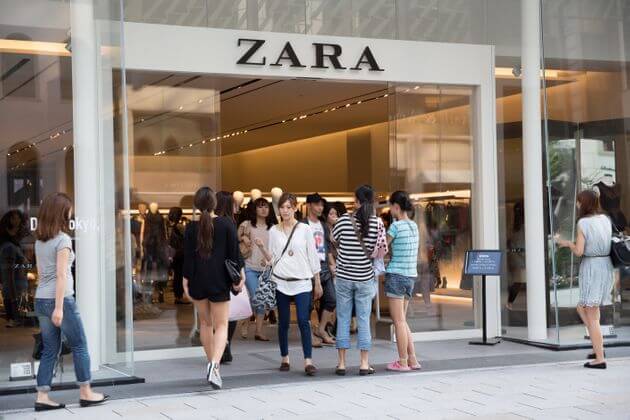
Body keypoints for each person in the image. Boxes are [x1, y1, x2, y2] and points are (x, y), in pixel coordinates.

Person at [33, 193, 107, 411]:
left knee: (50, 349)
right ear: (61, 212)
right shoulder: (63, 240)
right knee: (79, 344)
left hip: (41, 298)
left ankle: (42, 396)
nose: (71, 213)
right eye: (69, 210)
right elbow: (61, 275)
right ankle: (86, 392)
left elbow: (41, 274)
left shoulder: (39, 241)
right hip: (60, 300)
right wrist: (58, 308)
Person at [183, 187, 244, 389]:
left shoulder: (191, 227)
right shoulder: (226, 224)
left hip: (197, 281)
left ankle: (211, 365)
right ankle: (215, 365)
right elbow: (234, 255)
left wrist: (185, 281)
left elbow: (188, 259)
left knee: (205, 324)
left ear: (197, 204)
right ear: (214, 203)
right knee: (222, 325)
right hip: (219, 281)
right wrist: (240, 276)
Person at [260, 193, 322, 376]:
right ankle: (285, 358)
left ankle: (308, 361)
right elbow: (272, 258)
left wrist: (317, 282)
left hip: (302, 281)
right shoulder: (274, 231)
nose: (285, 211)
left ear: (295, 208)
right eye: (282, 207)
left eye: (288, 207)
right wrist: (262, 250)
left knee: (303, 320)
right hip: (281, 281)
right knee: (284, 322)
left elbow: (313, 256)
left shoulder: (305, 229)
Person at [556, 190, 614, 369]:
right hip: (606, 265)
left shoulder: (583, 222)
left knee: (591, 314)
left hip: (592, 268)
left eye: (579, 201)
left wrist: (567, 243)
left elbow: (579, 251)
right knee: (585, 308)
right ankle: (598, 347)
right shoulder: (605, 219)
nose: (577, 204)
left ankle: (600, 358)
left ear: (585, 203)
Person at [332, 185, 379, 376]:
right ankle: (364, 363)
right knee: (363, 320)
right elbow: (379, 249)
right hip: (364, 277)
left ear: (357, 201)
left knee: (343, 317)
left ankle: (342, 363)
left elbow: (333, 239)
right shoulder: (377, 222)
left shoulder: (343, 220)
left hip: (344, 276)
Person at [384, 191, 421, 372]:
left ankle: (402, 362)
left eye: (390, 206)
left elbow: (382, 248)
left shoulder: (395, 227)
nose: (390, 210)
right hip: (410, 276)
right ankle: (412, 360)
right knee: (403, 320)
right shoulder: (414, 226)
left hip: (396, 275)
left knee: (398, 321)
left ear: (396, 207)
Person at [237, 197, 276, 341]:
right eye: (260, 206)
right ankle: (246, 320)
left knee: (262, 299)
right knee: (256, 297)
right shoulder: (246, 224)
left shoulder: (273, 228)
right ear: (255, 209)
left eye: (266, 206)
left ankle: (258, 331)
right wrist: (243, 238)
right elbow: (235, 238)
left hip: (266, 269)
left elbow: (276, 248)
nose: (264, 209)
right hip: (250, 267)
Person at [303, 193, 336, 346]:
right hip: (307, 267)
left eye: (322, 205)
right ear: (309, 205)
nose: (320, 208)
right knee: (308, 304)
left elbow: (327, 247)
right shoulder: (302, 224)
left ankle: (321, 330)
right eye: (317, 204)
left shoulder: (323, 225)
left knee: (331, 299)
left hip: (323, 266)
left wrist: (331, 264)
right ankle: (309, 335)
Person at [0, 210, 29, 328]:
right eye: (16, 218)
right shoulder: (9, 247)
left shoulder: (13, 245)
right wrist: (25, 265)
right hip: (16, 290)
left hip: (17, 290)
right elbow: (8, 274)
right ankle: (13, 317)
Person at [506, 201, 526, 310]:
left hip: (515, 255)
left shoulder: (514, 225)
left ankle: (509, 302)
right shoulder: (523, 226)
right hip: (520, 256)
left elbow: (510, 240)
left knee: (518, 281)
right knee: (519, 281)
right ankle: (509, 302)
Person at [167, 207, 187, 304]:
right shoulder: (179, 227)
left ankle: (178, 296)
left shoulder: (168, 226)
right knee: (180, 276)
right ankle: (179, 296)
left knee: (177, 276)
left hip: (173, 254)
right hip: (180, 254)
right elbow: (186, 238)